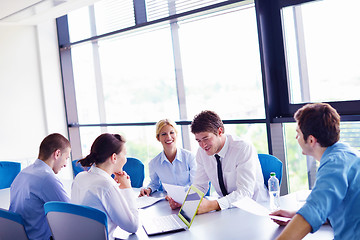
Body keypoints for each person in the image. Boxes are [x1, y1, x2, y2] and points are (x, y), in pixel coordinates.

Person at [271, 103, 360, 240]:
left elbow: (315, 209)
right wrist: (295, 215)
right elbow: (335, 208)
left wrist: (302, 219)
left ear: (311, 140)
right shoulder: (347, 155)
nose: (296, 138)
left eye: (298, 133)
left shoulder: (334, 164)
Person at [168, 110, 268, 213]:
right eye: (198, 141)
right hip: (227, 210)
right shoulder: (202, 153)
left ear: (219, 132)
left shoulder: (243, 148)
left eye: (206, 138)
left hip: (255, 209)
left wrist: (213, 205)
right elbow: (200, 185)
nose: (203, 145)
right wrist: (187, 202)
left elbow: (245, 192)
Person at [71, 133, 139, 240]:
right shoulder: (106, 185)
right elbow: (132, 226)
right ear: (114, 157)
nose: (125, 159)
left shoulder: (80, 177)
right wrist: (127, 188)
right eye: (124, 154)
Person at [9, 133, 71, 240]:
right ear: (57, 154)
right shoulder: (46, 178)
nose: (65, 164)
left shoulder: (24, 173)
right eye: (66, 158)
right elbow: (71, 214)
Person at [139, 119, 196, 197]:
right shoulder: (154, 163)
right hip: (168, 202)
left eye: (172, 133)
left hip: (188, 199)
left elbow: (196, 185)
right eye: (163, 134)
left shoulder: (190, 157)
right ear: (158, 138)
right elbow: (154, 183)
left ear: (176, 134)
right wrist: (149, 189)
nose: (169, 137)